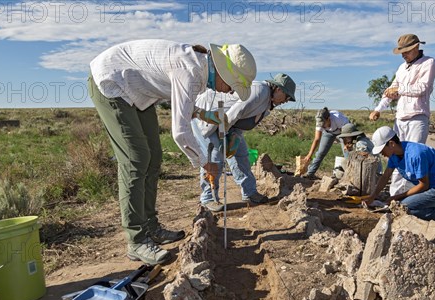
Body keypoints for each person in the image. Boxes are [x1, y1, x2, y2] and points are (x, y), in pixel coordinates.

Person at [88, 40, 256, 265]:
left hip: (139, 95)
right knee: (136, 159)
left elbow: (180, 101)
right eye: (234, 85)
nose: (232, 91)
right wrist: (206, 162)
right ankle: (136, 240)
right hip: (112, 82)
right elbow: (180, 132)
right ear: (225, 73)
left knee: (153, 157)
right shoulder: (191, 70)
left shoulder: (196, 70)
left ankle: (151, 226)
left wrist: (203, 114)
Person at [192, 73, 296, 212]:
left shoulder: (268, 102)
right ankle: (208, 198)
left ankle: (249, 192)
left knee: (241, 155)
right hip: (208, 116)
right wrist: (223, 138)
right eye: (287, 97)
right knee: (215, 158)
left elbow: (243, 120)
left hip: (229, 124)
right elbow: (234, 113)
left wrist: (234, 136)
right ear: (278, 89)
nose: (286, 101)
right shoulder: (259, 91)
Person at [368, 34, 435, 196]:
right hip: (400, 119)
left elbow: (423, 88)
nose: (403, 55)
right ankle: (394, 197)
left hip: (417, 118)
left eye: (406, 51)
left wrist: (399, 90)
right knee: (397, 160)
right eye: (401, 52)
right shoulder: (401, 68)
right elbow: (390, 91)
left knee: (412, 159)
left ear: (415, 48)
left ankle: (408, 198)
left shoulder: (429, 63)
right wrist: (379, 108)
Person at [364, 126, 435, 221]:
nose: (382, 153)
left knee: (402, 208)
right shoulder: (394, 155)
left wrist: (397, 197)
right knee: (399, 204)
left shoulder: (416, 155)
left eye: (382, 150)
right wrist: (373, 196)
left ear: (391, 144)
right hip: (428, 189)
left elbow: (424, 185)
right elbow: (385, 176)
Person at [302, 107, 350, 179]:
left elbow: (345, 135)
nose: (322, 126)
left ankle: (350, 175)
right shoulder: (319, 121)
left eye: (323, 124)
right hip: (329, 133)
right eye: (320, 124)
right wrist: (309, 154)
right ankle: (310, 173)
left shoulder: (338, 119)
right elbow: (317, 139)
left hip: (343, 132)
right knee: (320, 152)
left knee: (347, 152)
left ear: (328, 119)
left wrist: (346, 145)